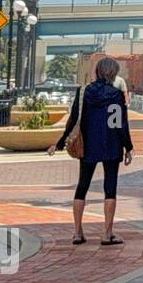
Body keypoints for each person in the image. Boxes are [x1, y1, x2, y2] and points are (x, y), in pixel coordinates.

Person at [50, 56, 133, 245]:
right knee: (110, 189)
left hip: (88, 144)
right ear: (114, 73)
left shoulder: (84, 93)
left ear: (97, 71)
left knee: (82, 186)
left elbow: (73, 119)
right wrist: (128, 147)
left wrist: (61, 142)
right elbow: (119, 124)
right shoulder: (116, 95)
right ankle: (107, 233)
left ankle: (78, 232)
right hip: (111, 144)